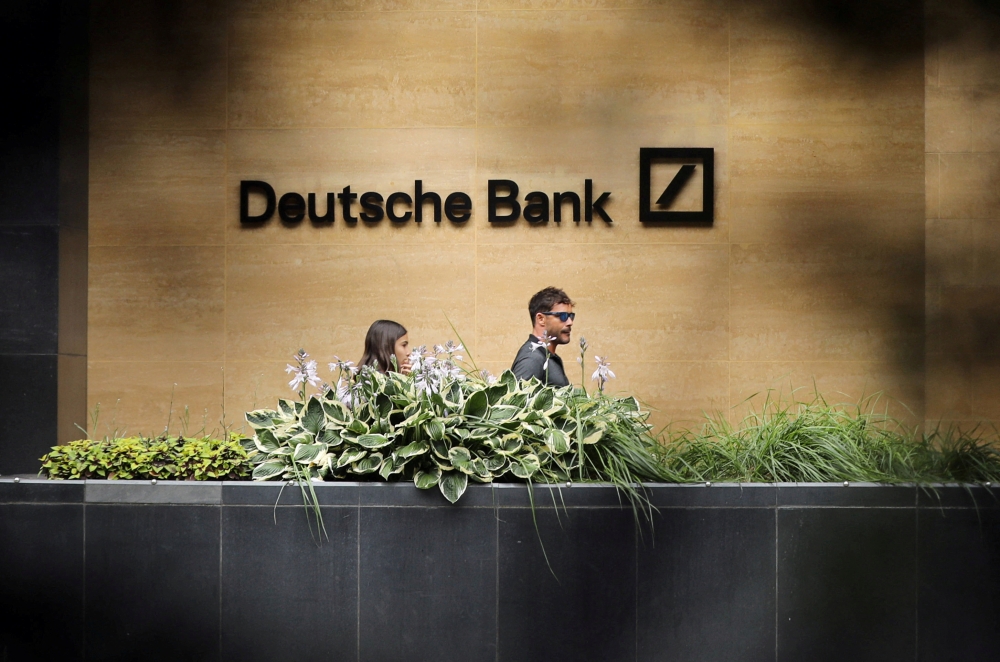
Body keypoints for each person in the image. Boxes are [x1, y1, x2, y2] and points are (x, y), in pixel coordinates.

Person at [511, 287, 574, 386]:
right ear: (541, 319)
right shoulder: (532, 359)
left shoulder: (546, 356)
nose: (570, 322)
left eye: (571, 316)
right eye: (563, 316)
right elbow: (515, 400)